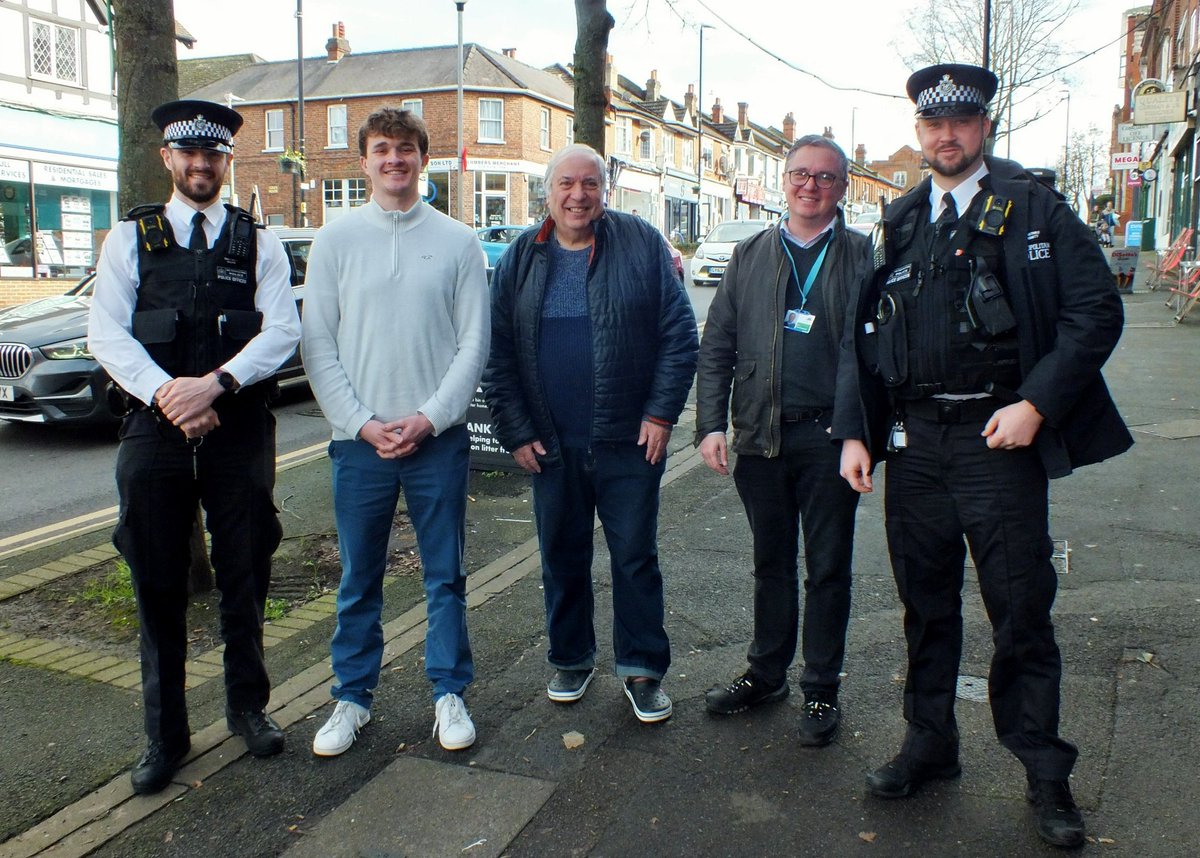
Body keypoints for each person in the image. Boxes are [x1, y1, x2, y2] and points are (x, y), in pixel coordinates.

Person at [834, 64, 1133, 849]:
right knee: (925, 608)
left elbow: (1095, 311)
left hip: (999, 443)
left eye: (961, 123)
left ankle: (1045, 772)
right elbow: (865, 338)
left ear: (985, 128)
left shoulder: (1033, 207)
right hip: (915, 447)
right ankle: (930, 745)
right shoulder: (898, 220)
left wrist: (1037, 404)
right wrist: (858, 431)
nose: (947, 135)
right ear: (918, 134)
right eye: (934, 125)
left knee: (1020, 611)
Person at [88, 99, 301, 794]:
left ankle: (248, 708)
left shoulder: (257, 242)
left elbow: (281, 333)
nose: (201, 164)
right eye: (189, 153)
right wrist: (169, 395)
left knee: (245, 572)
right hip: (154, 432)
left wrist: (212, 386)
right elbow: (107, 335)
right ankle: (165, 736)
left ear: (226, 161)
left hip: (237, 431)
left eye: (213, 155)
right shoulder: (128, 241)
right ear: (168, 159)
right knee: (157, 582)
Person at [482, 144, 698, 723]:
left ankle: (643, 669)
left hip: (628, 441)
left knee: (633, 558)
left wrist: (659, 415)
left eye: (590, 184)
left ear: (604, 188)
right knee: (561, 555)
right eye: (566, 184)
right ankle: (571, 657)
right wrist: (516, 431)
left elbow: (679, 335)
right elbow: (497, 353)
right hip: (550, 444)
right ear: (547, 193)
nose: (578, 195)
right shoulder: (521, 258)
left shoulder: (641, 243)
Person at [301, 107, 489, 755]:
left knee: (446, 576)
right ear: (363, 161)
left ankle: (448, 692)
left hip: (436, 441)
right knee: (359, 577)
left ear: (422, 158)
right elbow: (318, 342)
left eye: (405, 148)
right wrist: (362, 423)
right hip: (360, 445)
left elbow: (473, 345)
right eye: (381, 149)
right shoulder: (334, 240)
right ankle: (352, 698)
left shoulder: (459, 242)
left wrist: (429, 417)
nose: (394, 160)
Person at [695, 135, 870, 747]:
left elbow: (872, 354)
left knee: (827, 569)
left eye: (825, 177)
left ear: (842, 187)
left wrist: (859, 434)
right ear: (783, 181)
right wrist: (711, 423)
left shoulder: (862, 255)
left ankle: (821, 687)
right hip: (761, 439)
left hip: (830, 440)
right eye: (800, 174)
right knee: (770, 564)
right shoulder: (750, 255)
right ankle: (767, 673)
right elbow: (717, 344)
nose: (810, 185)